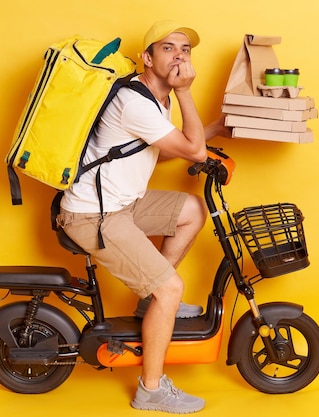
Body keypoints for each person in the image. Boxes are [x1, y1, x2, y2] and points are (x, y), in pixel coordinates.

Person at [57, 20, 228, 413]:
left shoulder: (155, 99)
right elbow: (194, 152)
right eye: (168, 48)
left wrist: (217, 127)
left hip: (122, 203)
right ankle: (150, 389)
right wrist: (186, 93)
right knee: (171, 290)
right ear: (147, 59)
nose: (180, 55)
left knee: (191, 210)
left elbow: (166, 150)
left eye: (185, 49)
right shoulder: (136, 101)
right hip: (93, 215)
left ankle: (149, 302)